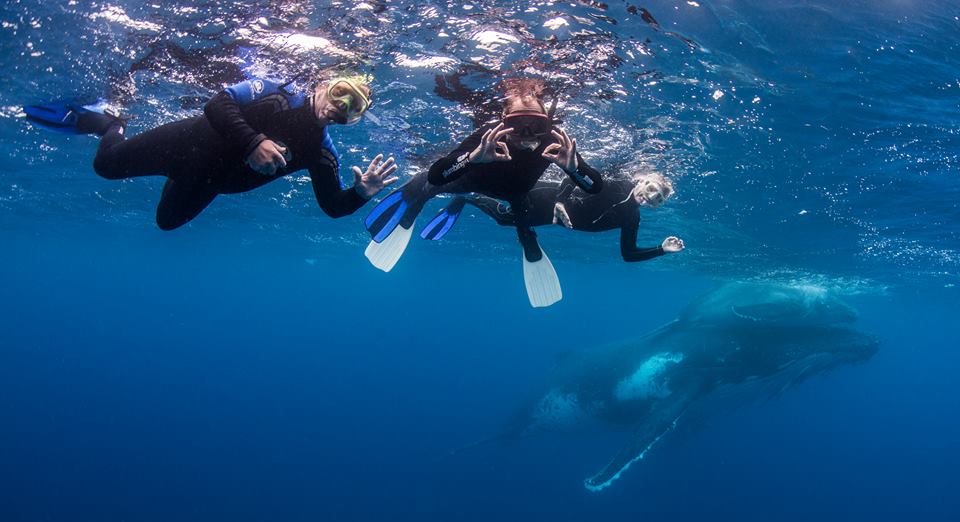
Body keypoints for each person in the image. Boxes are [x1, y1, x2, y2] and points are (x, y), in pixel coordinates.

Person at [24, 74, 397, 230]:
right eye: (340, 94)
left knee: (166, 223)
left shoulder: (321, 153)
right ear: (321, 87)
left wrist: (361, 194)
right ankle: (110, 122)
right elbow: (217, 104)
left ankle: (170, 174)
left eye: (354, 108)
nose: (341, 107)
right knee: (105, 166)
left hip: (206, 179)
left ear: (353, 120)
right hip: (183, 143)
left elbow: (332, 206)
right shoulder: (276, 95)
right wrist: (254, 142)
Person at [362, 79, 603, 307]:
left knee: (524, 224)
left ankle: (527, 242)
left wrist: (575, 169)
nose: (526, 134)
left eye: (536, 125)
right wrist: (472, 158)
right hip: (470, 182)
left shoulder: (555, 141)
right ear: (503, 120)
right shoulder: (489, 135)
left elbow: (594, 186)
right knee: (427, 185)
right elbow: (438, 174)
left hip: (516, 193)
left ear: (547, 123)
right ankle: (411, 210)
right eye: (516, 125)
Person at [424, 171, 685, 261]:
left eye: (658, 199)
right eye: (652, 189)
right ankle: (456, 185)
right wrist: (560, 201)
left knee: (504, 219)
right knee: (505, 200)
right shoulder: (616, 182)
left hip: (553, 218)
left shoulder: (632, 218)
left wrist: (661, 250)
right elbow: (574, 173)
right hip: (548, 196)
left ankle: (465, 198)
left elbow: (628, 254)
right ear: (644, 181)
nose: (652, 197)